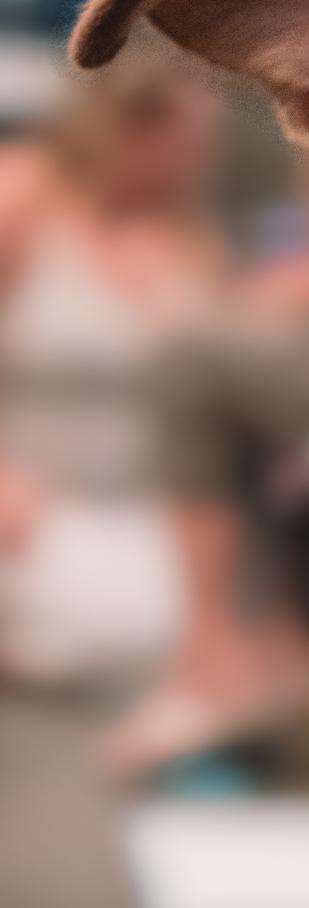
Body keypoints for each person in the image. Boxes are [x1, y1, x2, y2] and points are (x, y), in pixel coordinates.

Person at [106, 138, 309, 774]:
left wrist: (246, 300)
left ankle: (222, 657)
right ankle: (262, 650)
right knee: (208, 386)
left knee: (190, 363)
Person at [0, 40, 225, 685]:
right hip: (30, 510)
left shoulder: (190, 241)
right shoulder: (27, 198)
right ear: (131, 128)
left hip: (145, 522)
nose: (195, 162)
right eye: (185, 142)